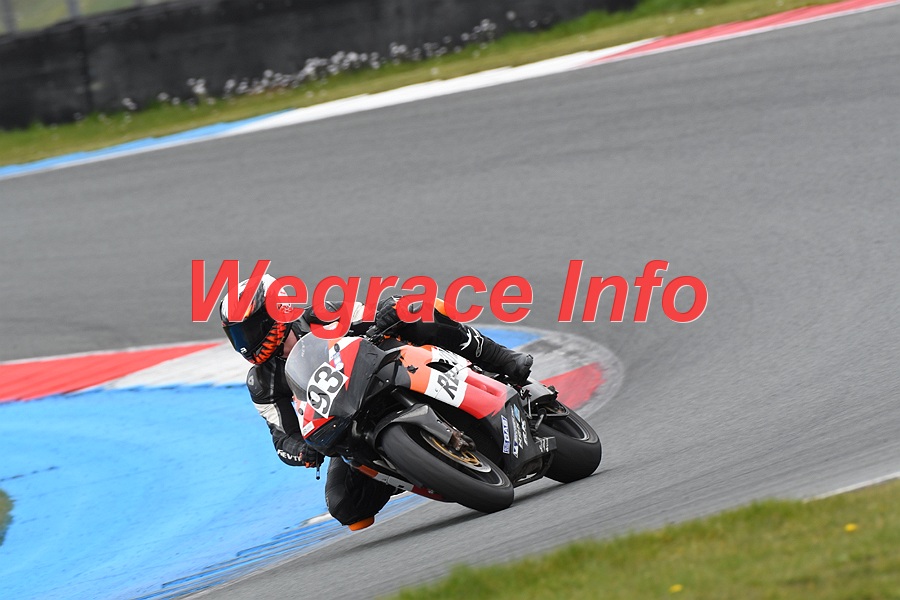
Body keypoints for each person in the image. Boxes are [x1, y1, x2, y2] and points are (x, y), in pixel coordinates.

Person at [220, 274, 533, 530]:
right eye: (237, 336)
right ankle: (409, 467)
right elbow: (282, 438)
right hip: (347, 425)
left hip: (387, 372)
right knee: (345, 507)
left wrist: (386, 313)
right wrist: (302, 451)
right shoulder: (261, 383)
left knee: (415, 311)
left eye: (248, 330)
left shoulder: (322, 314)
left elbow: (371, 315)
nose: (245, 344)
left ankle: (501, 359)